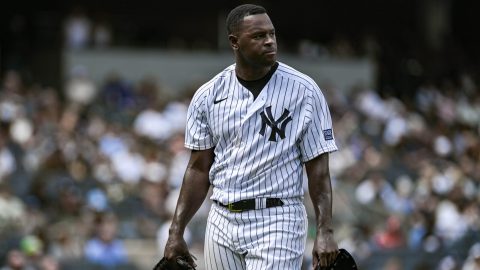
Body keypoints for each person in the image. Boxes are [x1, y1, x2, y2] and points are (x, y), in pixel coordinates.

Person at [161, 4, 339, 269]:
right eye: (258, 36)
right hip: (221, 218)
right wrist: (176, 231)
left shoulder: (305, 91)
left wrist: (325, 230)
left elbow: (319, 170)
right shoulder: (208, 95)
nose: (269, 41)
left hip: (278, 217)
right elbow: (198, 169)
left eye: (272, 34)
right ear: (235, 42)